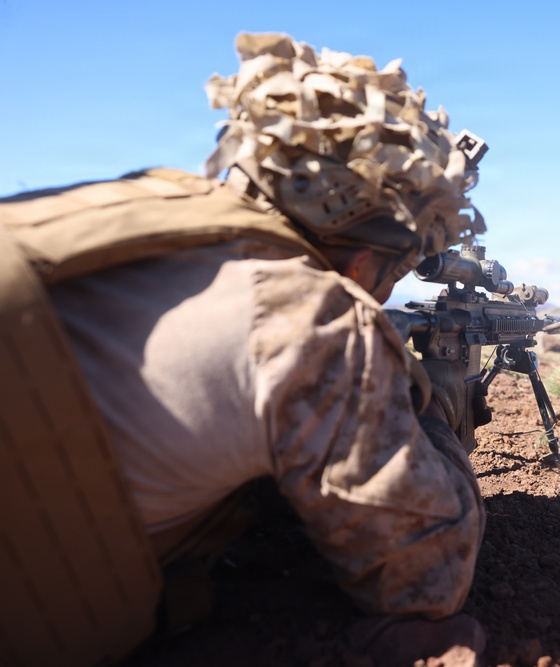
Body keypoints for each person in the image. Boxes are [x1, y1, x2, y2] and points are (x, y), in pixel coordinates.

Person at [0, 32, 487, 666]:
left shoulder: (137, 208)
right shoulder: (305, 320)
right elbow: (430, 574)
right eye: (395, 273)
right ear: (366, 262)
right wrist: (430, 397)